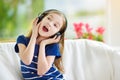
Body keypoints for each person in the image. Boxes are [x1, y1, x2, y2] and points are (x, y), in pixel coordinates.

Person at [14, 9, 67, 80]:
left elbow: (41, 71)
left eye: (55, 25)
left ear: (57, 34)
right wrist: (34, 36)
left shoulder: (52, 46)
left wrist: (43, 44)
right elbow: (27, 60)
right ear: (40, 19)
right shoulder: (22, 40)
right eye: (48, 18)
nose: (49, 24)